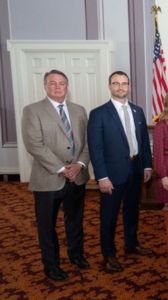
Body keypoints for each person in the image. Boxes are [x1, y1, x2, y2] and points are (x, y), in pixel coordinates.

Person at [21, 69, 90, 281]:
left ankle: (76, 255)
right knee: (46, 225)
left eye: (62, 83)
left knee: (75, 220)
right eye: (53, 83)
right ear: (45, 86)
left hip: (77, 177)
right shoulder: (32, 111)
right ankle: (51, 266)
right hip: (49, 178)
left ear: (67, 87)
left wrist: (79, 164)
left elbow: (88, 142)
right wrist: (62, 168)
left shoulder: (79, 110)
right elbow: (34, 145)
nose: (58, 87)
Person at [87, 71, 153, 273]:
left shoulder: (137, 111)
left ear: (129, 87)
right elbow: (95, 148)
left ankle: (131, 244)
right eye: (116, 83)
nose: (120, 87)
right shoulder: (99, 114)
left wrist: (147, 165)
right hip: (112, 175)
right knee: (109, 216)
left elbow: (143, 141)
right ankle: (109, 255)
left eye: (124, 84)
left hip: (135, 170)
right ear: (110, 86)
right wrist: (102, 177)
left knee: (132, 211)